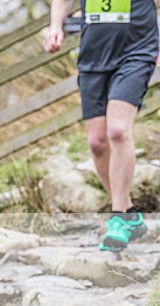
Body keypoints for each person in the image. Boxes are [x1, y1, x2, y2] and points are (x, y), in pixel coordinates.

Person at [44, 0, 157, 251]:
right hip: (94, 54)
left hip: (137, 49)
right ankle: (129, 215)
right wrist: (55, 26)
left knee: (117, 130)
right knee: (97, 143)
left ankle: (118, 219)